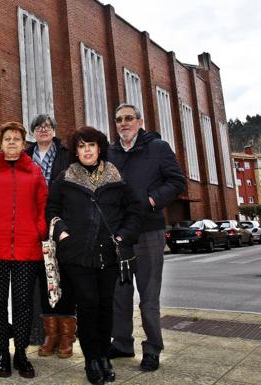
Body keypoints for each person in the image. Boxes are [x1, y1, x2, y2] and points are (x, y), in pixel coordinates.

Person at [46, 126, 142, 384]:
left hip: (109, 253)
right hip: (77, 255)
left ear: (100, 148)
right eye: (81, 146)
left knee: (105, 306)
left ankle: (104, 357)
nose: (86, 150)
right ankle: (91, 360)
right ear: (75, 151)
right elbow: (52, 209)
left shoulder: (115, 176)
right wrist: (62, 233)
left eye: (91, 145)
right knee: (87, 306)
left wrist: (123, 236)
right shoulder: (65, 177)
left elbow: (134, 210)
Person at [108, 104, 186, 372]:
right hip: (120, 234)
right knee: (120, 292)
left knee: (149, 296)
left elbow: (177, 182)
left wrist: (152, 199)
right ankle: (121, 343)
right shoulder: (110, 152)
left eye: (129, 118)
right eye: (118, 119)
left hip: (150, 231)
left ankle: (152, 348)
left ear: (140, 121)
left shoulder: (158, 148)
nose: (123, 123)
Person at [0, 122, 48, 378]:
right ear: (1, 144)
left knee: (24, 304)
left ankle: (22, 354)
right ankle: (3, 353)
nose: (12, 142)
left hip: (27, 249)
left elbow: (42, 207)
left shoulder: (35, 173)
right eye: (7, 139)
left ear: (24, 144)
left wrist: (38, 231)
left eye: (17, 139)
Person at [25, 114, 77, 358]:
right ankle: (51, 334)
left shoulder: (66, 154)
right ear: (33, 132)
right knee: (43, 280)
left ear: (54, 130)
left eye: (47, 126)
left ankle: (67, 337)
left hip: (60, 220)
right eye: (38, 127)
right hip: (33, 223)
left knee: (64, 277)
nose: (43, 130)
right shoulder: (26, 156)